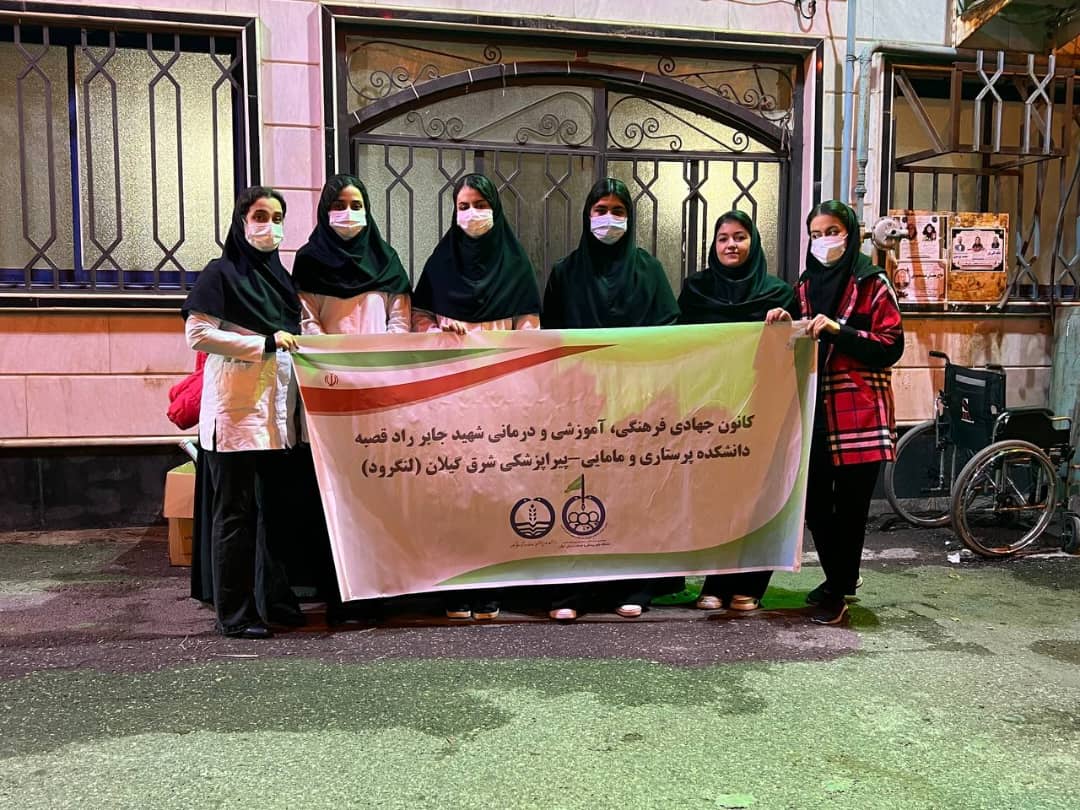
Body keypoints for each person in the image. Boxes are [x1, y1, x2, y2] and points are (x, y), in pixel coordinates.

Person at [542, 177, 680, 621]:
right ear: (587, 216)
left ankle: (633, 586)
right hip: (579, 403)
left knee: (632, 491)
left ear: (630, 218)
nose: (608, 219)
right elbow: (549, 339)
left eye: (618, 211)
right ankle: (574, 590)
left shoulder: (649, 271)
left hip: (636, 402)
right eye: (600, 210)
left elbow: (670, 333)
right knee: (579, 491)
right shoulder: (565, 273)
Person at [766, 200, 903, 625]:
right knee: (816, 504)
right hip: (816, 413)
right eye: (816, 234)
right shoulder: (806, 284)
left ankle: (837, 590)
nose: (823, 241)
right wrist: (785, 319)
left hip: (858, 413)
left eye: (832, 232)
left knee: (852, 509)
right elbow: (799, 334)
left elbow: (890, 346)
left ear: (851, 234)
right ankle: (839, 578)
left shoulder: (872, 282)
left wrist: (839, 331)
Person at [412, 173, 542, 620]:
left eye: (480, 205)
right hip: (450, 395)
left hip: (501, 395)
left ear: (496, 210)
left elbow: (529, 326)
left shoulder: (516, 264)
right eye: (463, 206)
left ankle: (490, 584)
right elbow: (417, 318)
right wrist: (437, 328)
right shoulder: (440, 263)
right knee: (452, 489)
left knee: (496, 488)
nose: (472, 214)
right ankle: (455, 585)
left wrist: (508, 352)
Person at [182, 186, 305, 639]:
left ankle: (274, 599)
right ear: (241, 222)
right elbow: (198, 334)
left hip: (274, 414)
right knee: (234, 515)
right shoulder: (220, 274)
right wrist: (262, 343)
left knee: (273, 512)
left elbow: (294, 333)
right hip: (235, 415)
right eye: (260, 216)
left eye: (277, 217)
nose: (269, 226)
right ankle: (234, 614)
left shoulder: (280, 278)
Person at [292, 174, 412, 625]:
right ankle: (339, 595)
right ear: (325, 212)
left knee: (379, 494)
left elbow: (400, 321)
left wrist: (375, 364)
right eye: (338, 206)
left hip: (379, 392)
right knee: (334, 497)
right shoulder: (309, 261)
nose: (348, 214)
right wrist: (340, 367)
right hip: (329, 394)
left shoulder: (386, 259)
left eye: (356, 204)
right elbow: (307, 323)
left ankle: (381, 591)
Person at [678, 210, 798, 613]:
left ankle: (751, 584)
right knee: (715, 495)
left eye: (740, 236)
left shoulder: (777, 294)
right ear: (713, 245)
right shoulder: (696, 290)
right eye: (723, 238)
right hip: (711, 408)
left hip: (761, 409)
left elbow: (791, 352)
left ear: (754, 242)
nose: (731, 245)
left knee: (757, 494)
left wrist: (785, 325)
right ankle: (714, 581)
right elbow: (679, 345)